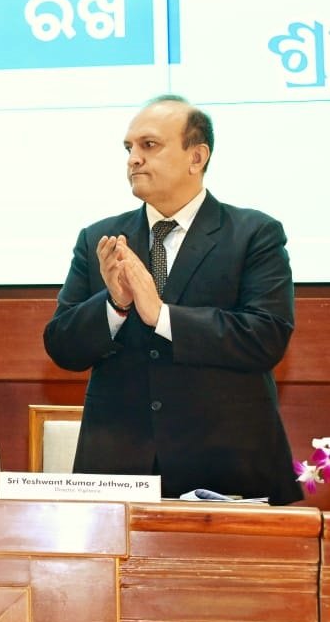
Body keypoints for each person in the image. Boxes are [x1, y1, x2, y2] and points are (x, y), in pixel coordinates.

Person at [43, 95, 300, 504]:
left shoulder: (253, 233)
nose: (133, 159)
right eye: (129, 148)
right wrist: (115, 304)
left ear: (196, 157)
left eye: (149, 145)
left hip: (226, 469)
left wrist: (162, 315)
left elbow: (265, 336)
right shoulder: (101, 239)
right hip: (118, 469)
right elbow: (61, 346)